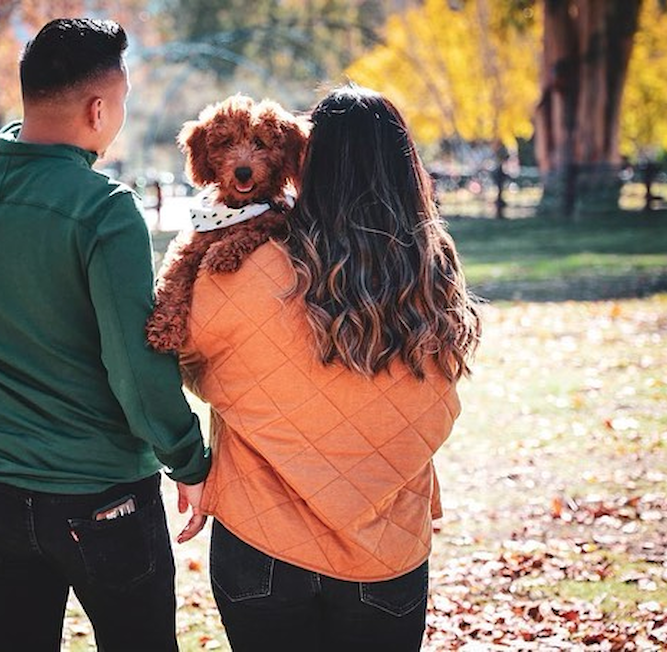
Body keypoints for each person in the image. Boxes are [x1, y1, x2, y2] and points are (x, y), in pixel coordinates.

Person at [0, 18, 209, 651]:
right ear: (98, 107)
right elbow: (135, 366)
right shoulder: (103, 207)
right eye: (123, 103)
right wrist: (189, 458)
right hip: (101, 497)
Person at [178, 85, 481, 651]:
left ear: (304, 162)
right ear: (405, 168)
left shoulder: (247, 264)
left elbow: (186, 352)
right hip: (385, 546)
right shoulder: (429, 268)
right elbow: (436, 398)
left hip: (260, 536)